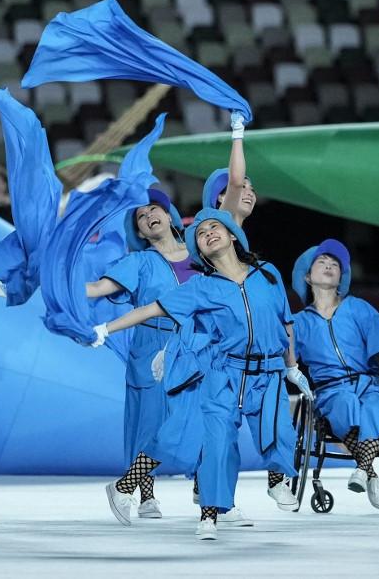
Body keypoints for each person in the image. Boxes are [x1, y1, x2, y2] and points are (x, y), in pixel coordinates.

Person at [90, 208, 313, 540]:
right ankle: (207, 513)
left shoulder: (267, 273)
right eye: (201, 233)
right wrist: (106, 329)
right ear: (199, 251)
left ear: (233, 235)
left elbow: (286, 322)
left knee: (279, 432)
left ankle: (277, 480)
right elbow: (152, 309)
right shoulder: (202, 287)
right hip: (224, 371)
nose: (208, 232)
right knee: (210, 441)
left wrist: (292, 367)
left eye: (215, 227)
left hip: (268, 372)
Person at [84, 188, 195, 519]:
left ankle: (207, 487)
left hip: (194, 345)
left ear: (170, 215)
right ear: (140, 232)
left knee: (197, 415)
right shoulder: (138, 261)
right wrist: (58, 280)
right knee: (148, 420)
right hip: (150, 345)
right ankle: (144, 494)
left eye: (153, 209)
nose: (148, 216)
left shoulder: (201, 253)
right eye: (141, 217)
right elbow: (98, 289)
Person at [291, 239, 379, 509]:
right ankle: (370, 473)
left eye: (335, 265)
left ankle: (363, 471)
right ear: (307, 276)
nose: (329, 266)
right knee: (344, 405)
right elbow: (288, 358)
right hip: (330, 390)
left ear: (342, 276)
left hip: (368, 384)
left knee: (377, 406)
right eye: (322, 263)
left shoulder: (360, 309)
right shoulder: (299, 321)